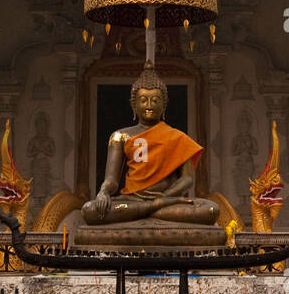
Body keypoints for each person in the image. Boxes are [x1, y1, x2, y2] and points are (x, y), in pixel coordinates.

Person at [81, 63, 219, 226]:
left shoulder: (177, 137)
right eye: (143, 100)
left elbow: (187, 179)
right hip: (132, 200)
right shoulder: (120, 136)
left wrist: (165, 196)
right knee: (89, 210)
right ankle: (153, 209)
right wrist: (103, 192)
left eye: (155, 100)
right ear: (134, 105)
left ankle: (149, 209)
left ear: (164, 104)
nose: (149, 106)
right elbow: (112, 179)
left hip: (166, 198)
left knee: (210, 210)